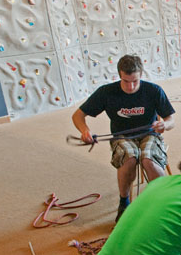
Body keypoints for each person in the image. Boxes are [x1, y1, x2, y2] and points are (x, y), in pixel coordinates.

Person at [72, 54, 175, 221]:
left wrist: (165, 124)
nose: (130, 86)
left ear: (141, 74)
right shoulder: (106, 92)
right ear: (119, 74)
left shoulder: (153, 90)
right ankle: (124, 202)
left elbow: (171, 120)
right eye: (125, 81)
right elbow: (78, 115)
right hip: (121, 136)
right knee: (129, 158)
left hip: (149, 134)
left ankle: (163, 203)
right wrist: (85, 131)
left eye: (135, 81)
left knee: (148, 159)